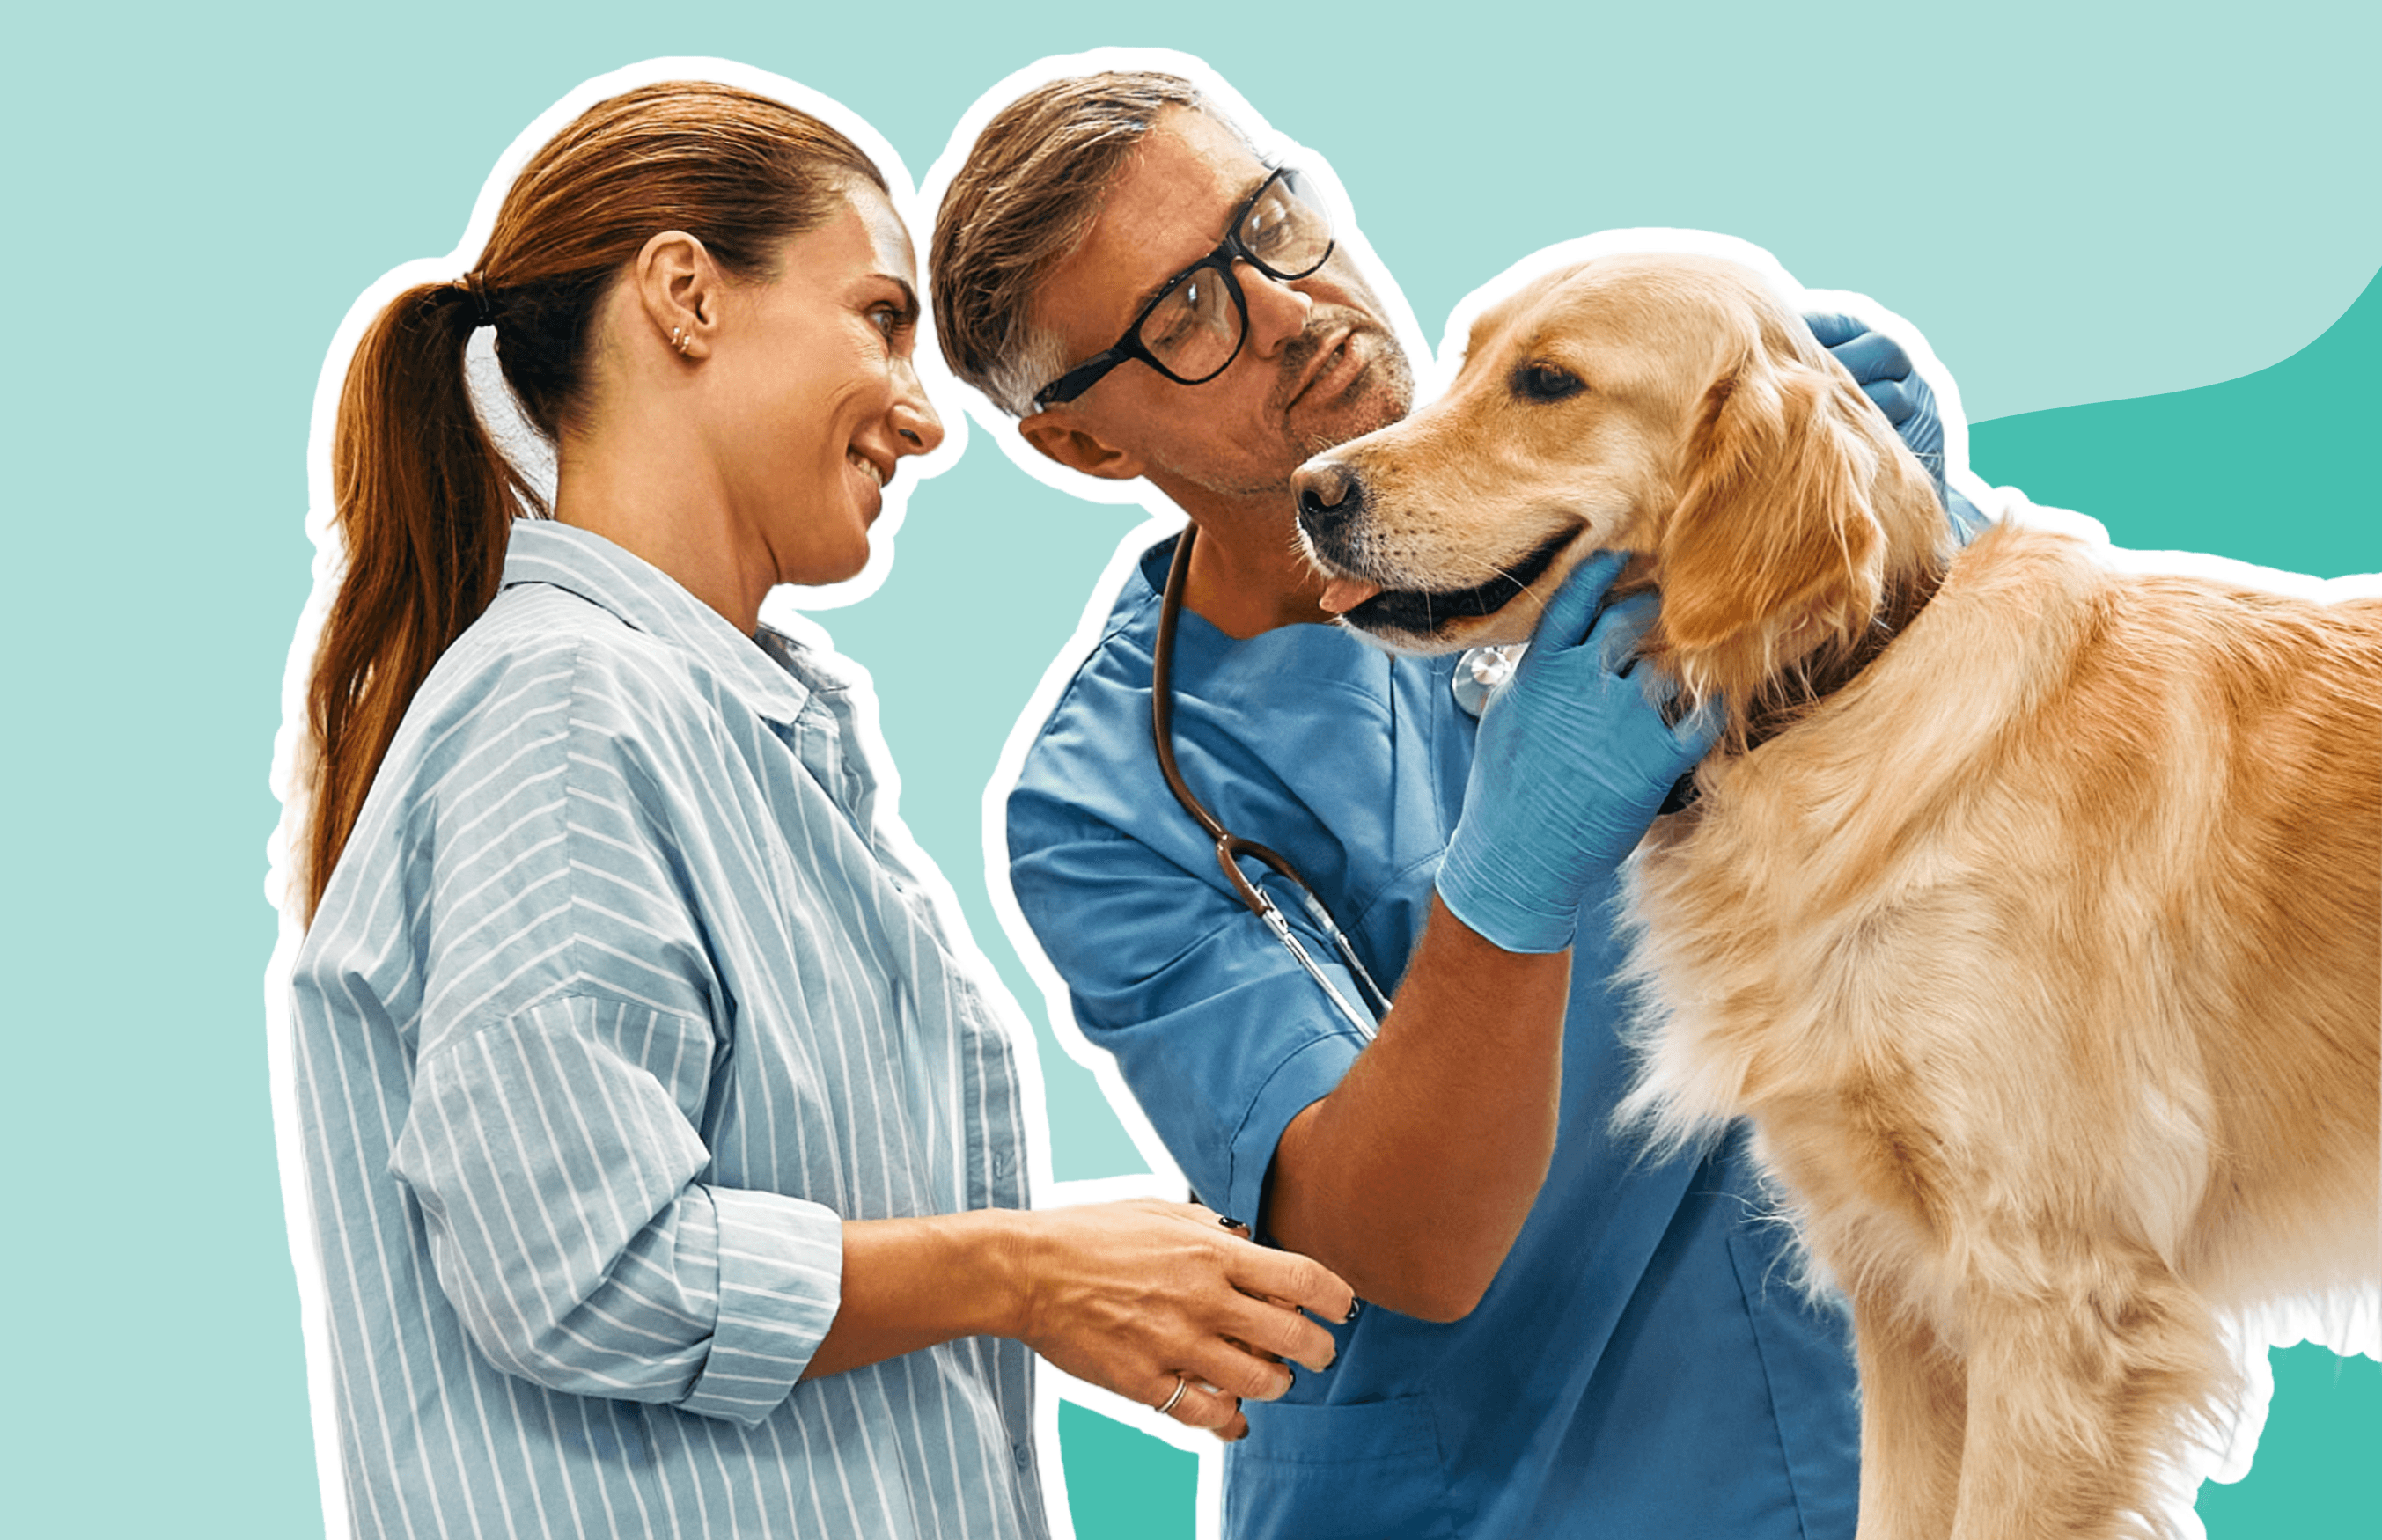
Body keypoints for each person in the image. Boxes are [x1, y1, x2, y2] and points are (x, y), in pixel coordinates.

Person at [283, 77, 1355, 1540]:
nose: (922, 418)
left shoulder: (727, 741)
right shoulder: (561, 707)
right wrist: (1030, 1271)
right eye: (879, 318)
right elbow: (582, 1268)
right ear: (685, 297)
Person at [933, 70, 1986, 1538]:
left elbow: (2018, 879)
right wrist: (1510, 872)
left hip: (1881, 1468)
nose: (1289, 308)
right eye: (1185, 315)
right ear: (1086, 443)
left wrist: (1887, 559)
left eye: (1273, 220)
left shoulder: (1653, 446)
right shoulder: (1120, 796)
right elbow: (1399, 1240)